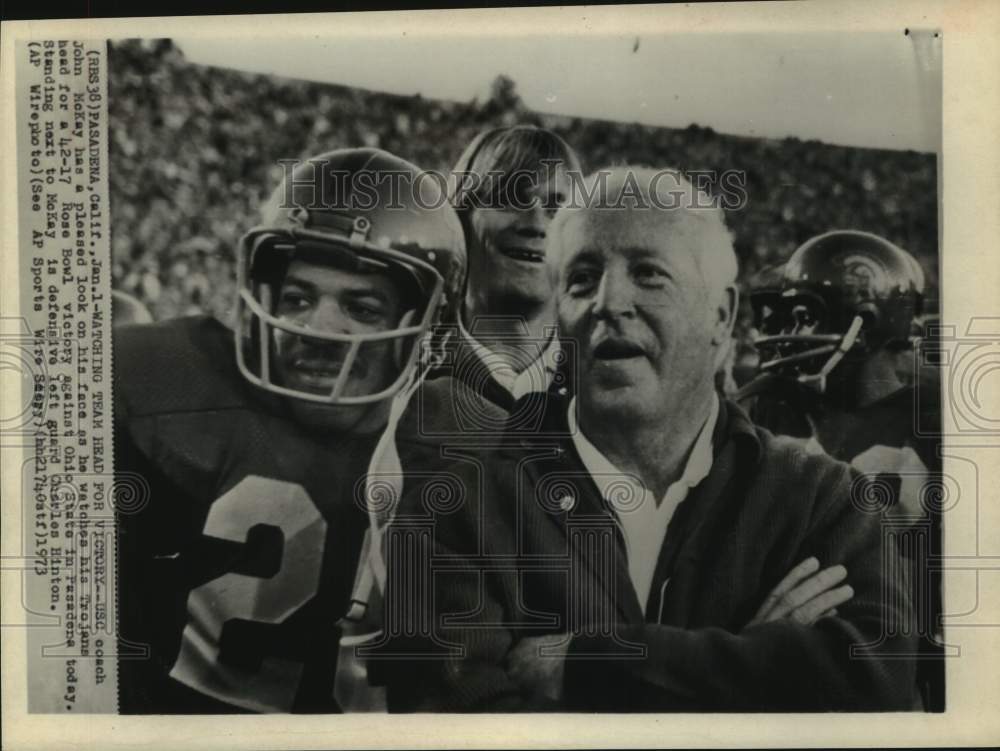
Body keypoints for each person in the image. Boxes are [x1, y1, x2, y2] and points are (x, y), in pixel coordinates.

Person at [376, 168, 917, 711]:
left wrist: (597, 667)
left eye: (649, 274)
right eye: (582, 279)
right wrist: (752, 670)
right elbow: (458, 729)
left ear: (721, 316)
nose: (609, 303)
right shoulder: (457, 501)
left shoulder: (822, 500)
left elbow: (873, 688)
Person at [114, 147, 497, 713]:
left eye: (361, 307)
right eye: (298, 298)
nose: (319, 328)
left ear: (425, 327)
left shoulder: (463, 448)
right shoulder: (165, 379)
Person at [736, 230, 943, 710]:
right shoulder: (769, 408)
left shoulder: (937, 421)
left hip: (899, 669)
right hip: (779, 660)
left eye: (806, 317)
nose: (789, 333)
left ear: (864, 324)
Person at [437, 125, 582, 416]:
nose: (535, 223)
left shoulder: (605, 383)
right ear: (460, 218)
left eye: (556, 209)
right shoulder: (404, 372)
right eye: (510, 198)